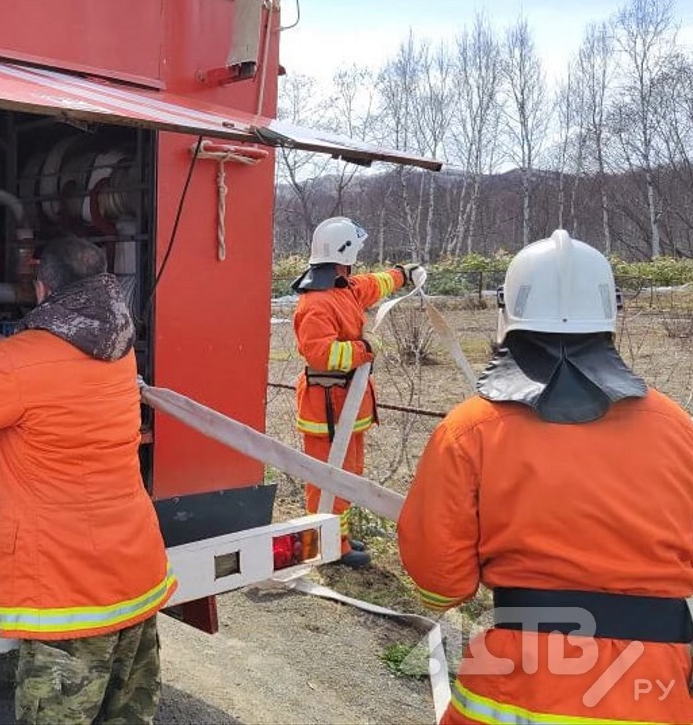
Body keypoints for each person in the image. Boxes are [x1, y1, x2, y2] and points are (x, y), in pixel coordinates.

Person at [398, 229, 693, 723]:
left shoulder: (470, 430)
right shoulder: (677, 428)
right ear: (610, 311)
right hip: (657, 685)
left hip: (519, 680)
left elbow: (439, 580)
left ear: (506, 309)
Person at [0, 236, 175, 725]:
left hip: (70, 590)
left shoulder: (19, 365)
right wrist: (10, 353)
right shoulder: (118, 347)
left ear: (43, 287)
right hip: (135, 569)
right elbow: (57, 368)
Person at [291, 216, 423, 567]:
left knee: (346, 475)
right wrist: (365, 347)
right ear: (343, 253)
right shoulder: (317, 302)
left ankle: (339, 538)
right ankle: (322, 547)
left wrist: (402, 274)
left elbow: (372, 284)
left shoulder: (343, 288)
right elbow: (321, 353)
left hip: (346, 405)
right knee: (324, 478)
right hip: (328, 409)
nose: (356, 264)